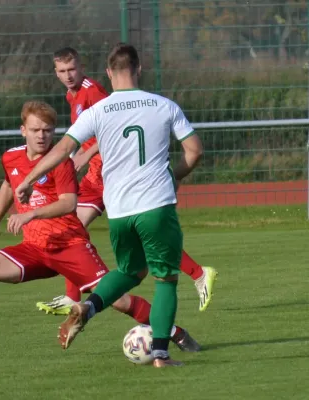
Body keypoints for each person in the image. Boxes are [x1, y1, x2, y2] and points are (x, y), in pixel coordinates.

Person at [0, 100, 200, 352]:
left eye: (48, 130)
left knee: (119, 300)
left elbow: (68, 203)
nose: (42, 135)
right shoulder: (11, 157)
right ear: (22, 130)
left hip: (69, 245)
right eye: (36, 129)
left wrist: (30, 215)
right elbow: (7, 184)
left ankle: (175, 334)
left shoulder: (60, 163)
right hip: (35, 248)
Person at [15, 44, 204, 367]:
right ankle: (160, 354)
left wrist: (29, 179)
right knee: (165, 279)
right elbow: (195, 150)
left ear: (107, 72)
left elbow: (62, 149)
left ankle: (88, 306)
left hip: (118, 211)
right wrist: (175, 175)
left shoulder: (98, 110)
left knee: (131, 270)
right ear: (139, 68)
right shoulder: (163, 105)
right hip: (156, 205)